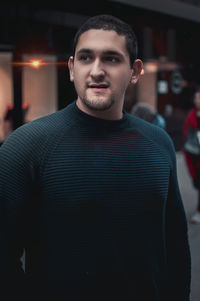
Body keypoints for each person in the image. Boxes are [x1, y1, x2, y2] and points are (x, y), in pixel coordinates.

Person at [0, 14, 191, 301]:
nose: (97, 70)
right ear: (72, 69)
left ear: (135, 71)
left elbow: (175, 246)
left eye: (112, 59)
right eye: (86, 58)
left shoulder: (158, 143)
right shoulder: (25, 147)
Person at [183, 86, 200, 224]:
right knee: (197, 182)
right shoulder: (191, 115)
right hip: (194, 153)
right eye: (196, 97)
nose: (198, 100)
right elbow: (186, 134)